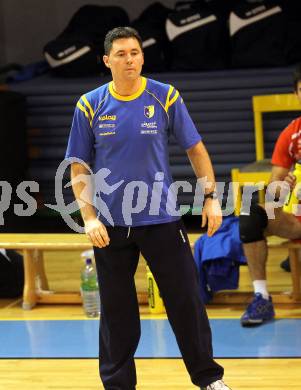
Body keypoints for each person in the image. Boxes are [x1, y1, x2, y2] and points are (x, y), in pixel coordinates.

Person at [66, 26, 231, 390]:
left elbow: (196, 149)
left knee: (186, 301)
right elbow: (78, 166)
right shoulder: (90, 104)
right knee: (116, 312)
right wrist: (89, 217)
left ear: (143, 56)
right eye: (122, 54)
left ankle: (208, 379)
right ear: (107, 60)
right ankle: (118, 384)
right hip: (111, 225)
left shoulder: (164, 96)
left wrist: (210, 197)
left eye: (136, 52)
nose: (130, 60)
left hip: (162, 219)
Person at [239, 63, 301, 327]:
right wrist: (282, 186)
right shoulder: (292, 133)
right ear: (296, 94)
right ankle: (261, 297)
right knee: (250, 212)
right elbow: (274, 189)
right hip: (297, 220)